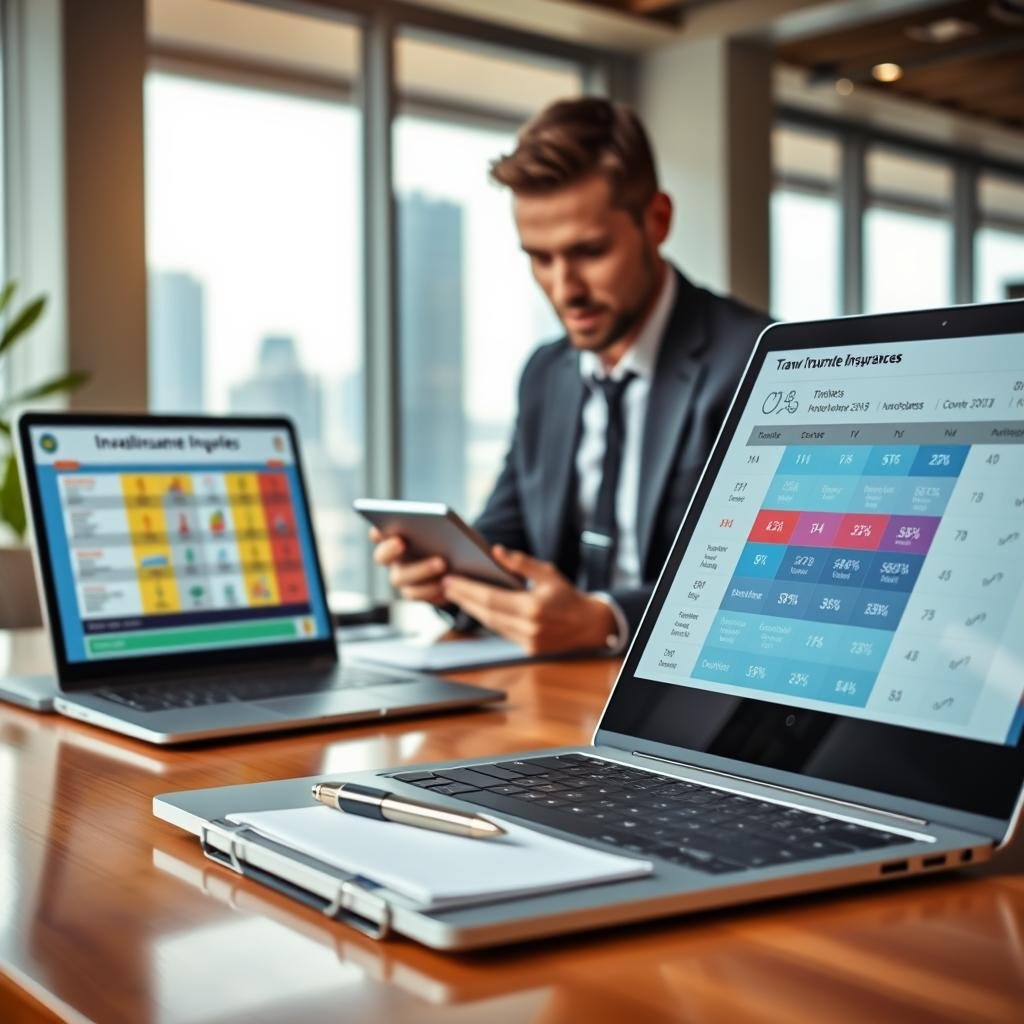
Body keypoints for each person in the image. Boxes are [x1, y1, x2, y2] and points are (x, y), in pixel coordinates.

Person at [371, 97, 771, 656]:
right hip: (553, 690)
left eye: (589, 252)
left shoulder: (759, 363)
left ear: (657, 221)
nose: (564, 289)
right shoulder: (546, 373)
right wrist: (447, 577)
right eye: (540, 257)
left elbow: (767, 582)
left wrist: (610, 620)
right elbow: (505, 542)